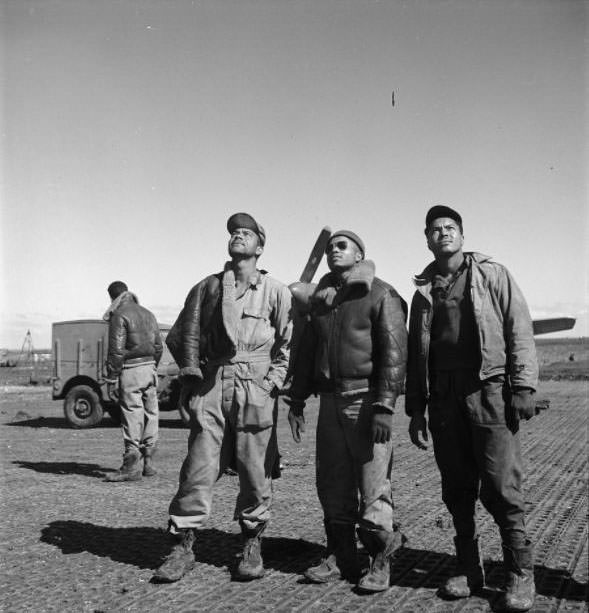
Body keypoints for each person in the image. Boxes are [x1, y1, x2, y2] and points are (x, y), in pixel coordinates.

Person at [406, 205, 539, 612]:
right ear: (427, 239)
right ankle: (469, 568)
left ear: (462, 235)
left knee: (501, 484)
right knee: (457, 487)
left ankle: (520, 572)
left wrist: (524, 385)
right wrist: (416, 409)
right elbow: (416, 355)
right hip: (444, 397)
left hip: (490, 390)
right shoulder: (423, 292)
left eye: (450, 227)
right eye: (435, 229)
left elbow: (519, 327)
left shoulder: (491, 275)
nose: (443, 233)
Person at [153, 213, 292, 583]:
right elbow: (183, 335)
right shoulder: (209, 288)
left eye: (247, 233)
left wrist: (270, 385)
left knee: (254, 468)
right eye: (234, 232)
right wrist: (191, 379)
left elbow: (290, 345)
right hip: (213, 382)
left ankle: (251, 544)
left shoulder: (276, 292)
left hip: (255, 383)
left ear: (260, 247)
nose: (239, 235)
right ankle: (182, 546)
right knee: (198, 466)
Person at [287, 230, 408, 593]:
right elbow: (307, 351)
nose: (332, 251)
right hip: (329, 403)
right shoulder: (321, 301)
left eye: (341, 246)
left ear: (359, 255)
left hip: (367, 401)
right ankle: (342, 556)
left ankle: (379, 560)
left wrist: (385, 406)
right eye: (329, 248)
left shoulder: (380, 293)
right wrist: (296, 399)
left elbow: (394, 354)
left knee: (373, 485)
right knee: (332, 484)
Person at [103, 281, 163, 482]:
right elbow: (158, 347)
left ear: (112, 297)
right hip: (150, 368)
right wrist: (152, 367)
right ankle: (149, 463)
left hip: (131, 370)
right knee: (151, 413)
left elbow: (117, 351)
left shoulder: (119, 315)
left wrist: (112, 377)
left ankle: (130, 466)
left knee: (132, 414)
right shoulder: (148, 314)